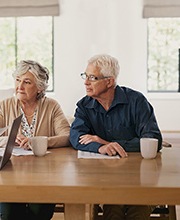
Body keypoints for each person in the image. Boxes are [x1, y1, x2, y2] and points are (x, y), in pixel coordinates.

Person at [69, 54, 162, 220]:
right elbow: (76, 137)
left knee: (137, 213)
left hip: (140, 177)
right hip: (106, 179)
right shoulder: (84, 105)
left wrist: (107, 143)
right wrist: (100, 147)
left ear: (109, 81)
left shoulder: (136, 101)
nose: (86, 82)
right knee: (112, 211)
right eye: (85, 76)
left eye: (92, 77)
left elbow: (153, 139)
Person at [0, 60, 70, 220]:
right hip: (11, 175)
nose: (19, 86)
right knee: (10, 215)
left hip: (44, 176)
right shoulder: (5, 105)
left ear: (39, 87)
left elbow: (67, 137)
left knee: (39, 214)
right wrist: (9, 140)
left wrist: (39, 141)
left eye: (27, 82)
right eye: (17, 80)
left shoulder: (52, 106)